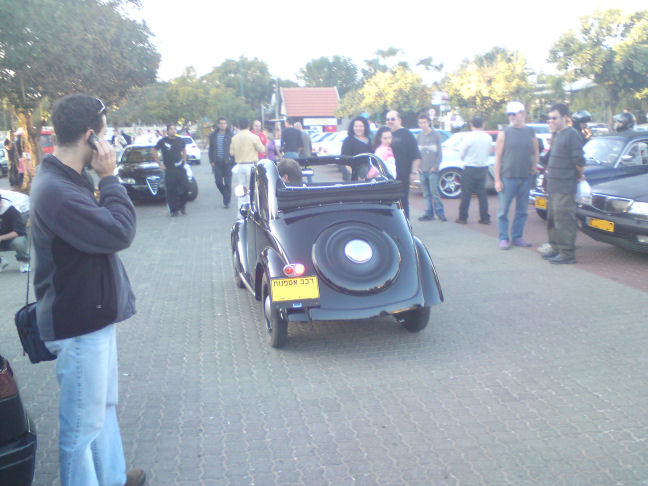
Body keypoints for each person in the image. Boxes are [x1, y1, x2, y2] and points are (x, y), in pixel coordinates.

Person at [29, 94, 145, 486]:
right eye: (105, 133)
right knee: (81, 428)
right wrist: (110, 178)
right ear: (91, 136)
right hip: (78, 323)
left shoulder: (67, 178)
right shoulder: (57, 191)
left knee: (102, 409)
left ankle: (112, 477)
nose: (108, 142)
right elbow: (120, 231)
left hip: (92, 316)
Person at [541, 103, 586, 264]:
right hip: (553, 186)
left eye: (554, 118)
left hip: (565, 187)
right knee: (553, 220)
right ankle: (556, 248)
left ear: (565, 118)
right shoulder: (557, 135)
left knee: (564, 220)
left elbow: (579, 160)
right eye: (549, 118)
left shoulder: (572, 134)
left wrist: (579, 175)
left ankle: (567, 253)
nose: (551, 121)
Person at [493, 101, 539, 250]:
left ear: (522, 113)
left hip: (525, 177)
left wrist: (533, 168)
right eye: (509, 114)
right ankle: (503, 238)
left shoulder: (530, 132)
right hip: (507, 178)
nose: (511, 117)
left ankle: (517, 236)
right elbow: (498, 157)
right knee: (503, 211)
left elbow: (536, 152)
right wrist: (497, 179)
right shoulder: (504, 133)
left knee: (522, 210)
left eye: (514, 114)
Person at [456, 115, 492, 225]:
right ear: (483, 124)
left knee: (466, 194)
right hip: (482, 168)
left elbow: (462, 154)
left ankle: (463, 217)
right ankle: (484, 217)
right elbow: (488, 152)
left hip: (470, 167)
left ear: (471, 124)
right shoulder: (488, 137)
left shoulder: (468, 137)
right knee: (482, 194)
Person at [386, 110, 421, 218]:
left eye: (393, 119)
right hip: (387, 176)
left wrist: (413, 172)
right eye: (387, 119)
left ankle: (405, 224)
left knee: (402, 202)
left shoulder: (407, 134)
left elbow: (416, 155)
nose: (390, 121)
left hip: (402, 175)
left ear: (399, 120)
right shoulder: (386, 135)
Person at [416, 113, 446, 222]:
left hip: (432, 170)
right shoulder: (419, 136)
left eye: (424, 122)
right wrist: (417, 166)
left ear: (428, 122)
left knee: (434, 192)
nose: (422, 125)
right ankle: (428, 213)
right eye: (420, 123)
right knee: (425, 193)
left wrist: (435, 166)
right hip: (422, 170)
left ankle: (440, 213)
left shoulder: (436, 135)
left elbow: (439, 154)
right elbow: (417, 153)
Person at [154, 124, 189, 216]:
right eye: (171, 129)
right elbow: (154, 151)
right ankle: (174, 210)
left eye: (174, 129)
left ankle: (182, 205)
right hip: (169, 169)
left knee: (185, 187)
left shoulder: (180, 140)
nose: (173, 131)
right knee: (171, 190)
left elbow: (184, 150)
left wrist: (184, 160)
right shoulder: (163, 141)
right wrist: (160, 164)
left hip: (180, 168)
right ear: (167, 131)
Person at [230, 117, 265, 208]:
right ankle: (252, 209)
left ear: (239, 126)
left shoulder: (234, 138)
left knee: (242, 189)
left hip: (239, 166)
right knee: (252, 189)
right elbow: (262, 149)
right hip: (251, 165)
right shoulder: (254, 137)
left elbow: (232, 152)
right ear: (249, 125)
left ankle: (241, 210)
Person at [208, 117, 233, 208]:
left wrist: (233, 161)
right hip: (217, 162)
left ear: (226, 124)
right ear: (218, 125)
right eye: (221, 123)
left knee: (228, 183)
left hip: (228, 162)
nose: (223, 125)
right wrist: (211, 161)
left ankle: (226, 201)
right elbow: (211, 149)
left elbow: (234, 148)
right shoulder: (213, 135)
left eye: (224, 123)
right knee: (218, 182)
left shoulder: (231, 135)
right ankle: (225, 194)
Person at [0, 195, 30, 272]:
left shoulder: (12, 211)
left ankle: (24, 261)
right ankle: (1, 262)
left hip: (13, 239)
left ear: (1, 202)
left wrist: (1, 238)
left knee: (19, 242)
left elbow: (18, 231)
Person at [341, 116, 372, 181]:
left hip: (368, 175)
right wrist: (357, 178)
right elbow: (345, 162)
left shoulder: (369, 140)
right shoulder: (348, 141)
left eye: (361, 126)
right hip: (354, 176)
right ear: (352, 127)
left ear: (365, 127)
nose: (358, 128)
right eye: (356, 126)